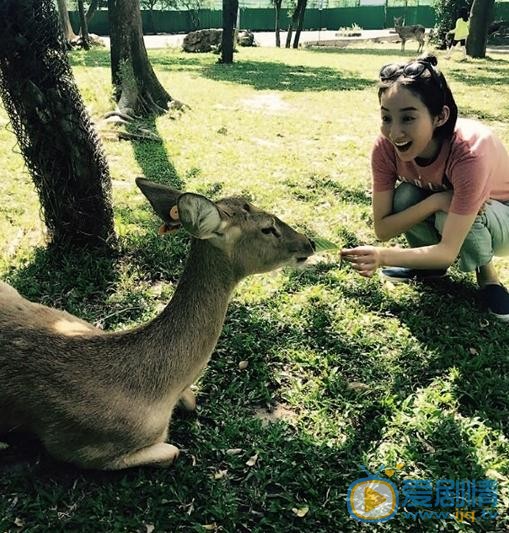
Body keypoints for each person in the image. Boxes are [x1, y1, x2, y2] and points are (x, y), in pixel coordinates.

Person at [341, 53, 509, 321]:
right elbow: (383, 228)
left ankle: (488, 278)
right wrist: (435, 201)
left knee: (452, 211)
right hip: (448, 203)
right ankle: (429, 270)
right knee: (408, 195)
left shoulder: (468, 154)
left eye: (408, 119)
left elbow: (446, 252)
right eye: (387, 118)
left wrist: (382, 257)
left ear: (440, 117)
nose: (394, 133)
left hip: (502, 217)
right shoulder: (385, 148)